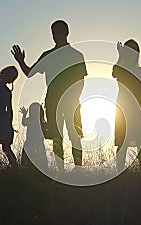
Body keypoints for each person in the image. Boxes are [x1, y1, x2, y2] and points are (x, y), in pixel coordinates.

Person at [11, 20, 87, 171]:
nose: (56, 35)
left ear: (66, 33)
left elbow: (81, 80)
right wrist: (21, 61)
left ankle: (79, 170)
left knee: (75, 136)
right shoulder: (47, 55)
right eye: (53, 33)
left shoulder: (76, 55)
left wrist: (74, 99)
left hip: (72, 101)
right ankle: (61, 171)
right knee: (56, 137)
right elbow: (29, 73)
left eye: (58, 32)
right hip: (52, 101)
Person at [113, 39, 141, 172]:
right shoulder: (121, 68)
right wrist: (120, 56)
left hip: (140, 109)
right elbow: (114, 72)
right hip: (123, 109)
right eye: (128, 51)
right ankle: (119, 173)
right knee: (122, 143)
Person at [20, 103, 48, 170]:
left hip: (30, 141)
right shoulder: (42, 122)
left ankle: (24, 169)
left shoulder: (30, 120)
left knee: (26, 157)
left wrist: (24, 115)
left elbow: (24, 123)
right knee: (42, 157)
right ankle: (44, 169)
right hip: (39, 142)